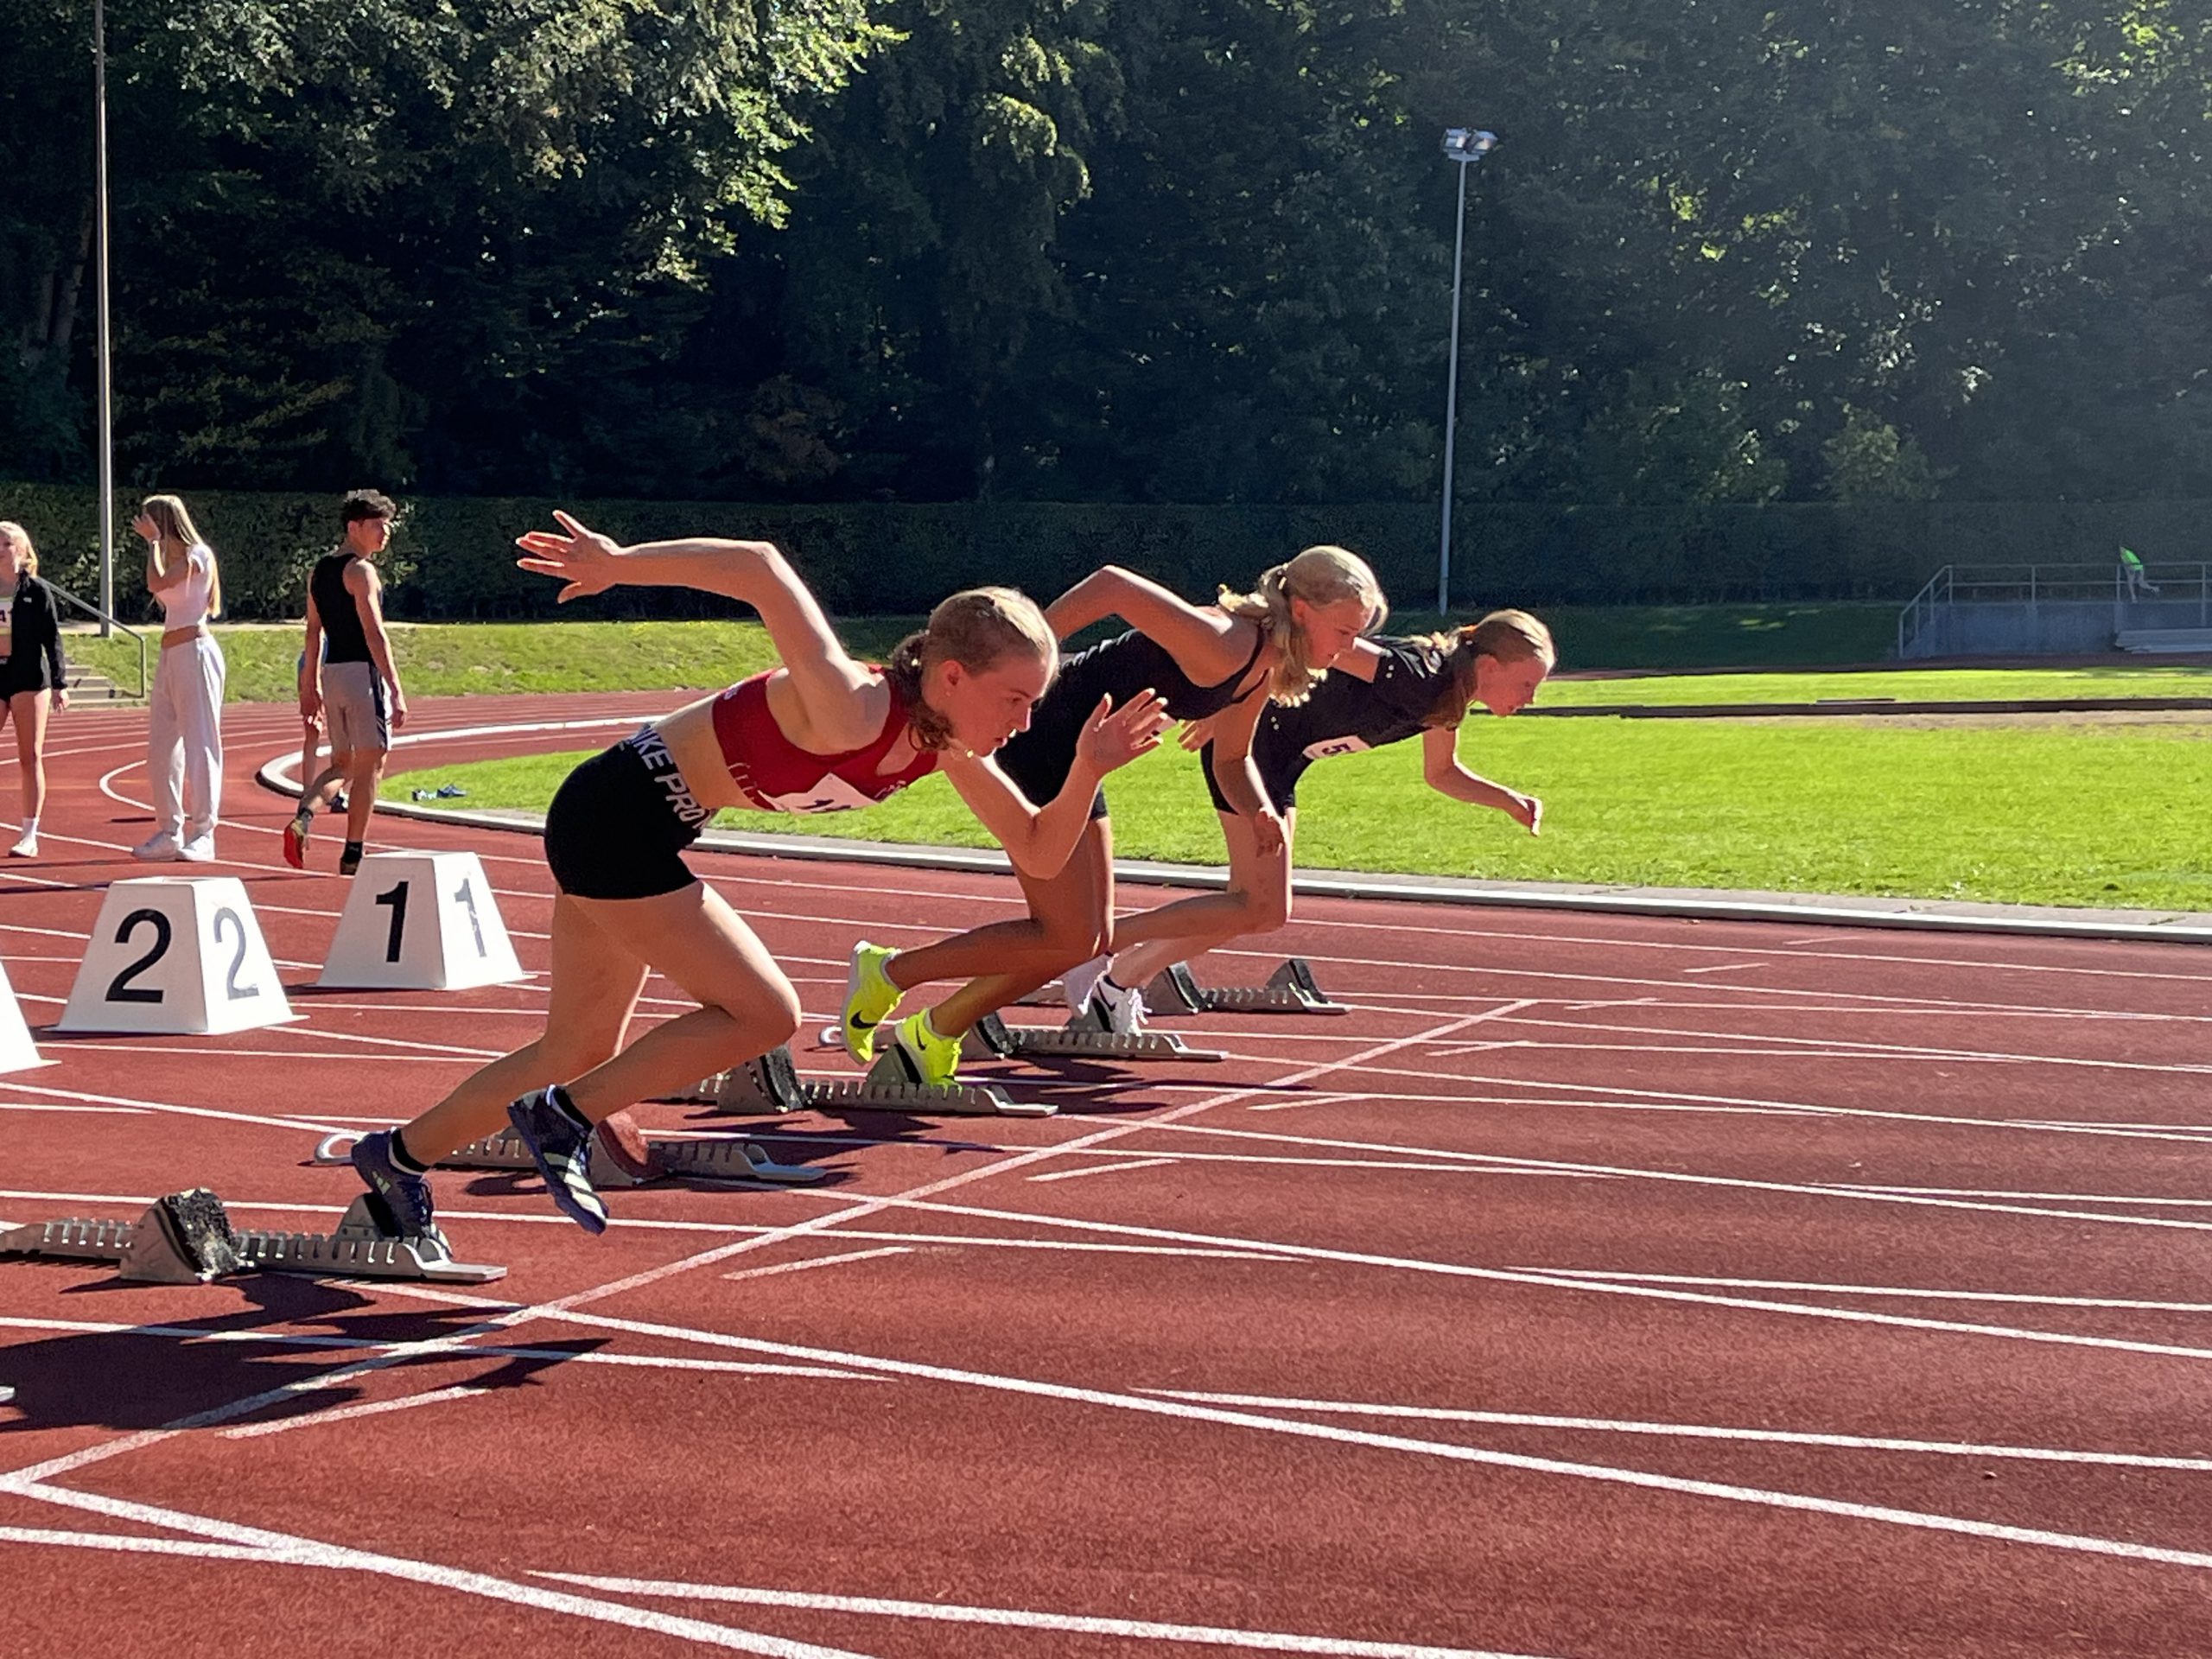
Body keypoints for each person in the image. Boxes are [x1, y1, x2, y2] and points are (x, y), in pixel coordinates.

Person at [346, 513, 1169, 1240]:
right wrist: (618, 564)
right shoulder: (852, 703)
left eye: (1035, 704)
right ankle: (564, 1118)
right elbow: (761, 566)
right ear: (951, 676)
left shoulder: (943, 741)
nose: (1025, 721)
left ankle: (397, 1158)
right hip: (615, 816)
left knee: (575, 1047)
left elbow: (1038, 850)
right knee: (766, 1012)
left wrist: (1087, 770)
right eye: (1015, 698)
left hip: (638, 825)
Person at [837, 547, 1387, 1082]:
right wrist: (1033, 661)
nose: (1351, 647)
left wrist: (1259, 811)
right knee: (1065, 935)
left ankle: (922, 1017)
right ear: (1301, 611)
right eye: (1345, 632)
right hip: (1038, 740)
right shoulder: (1224, 644)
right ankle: (903, 990)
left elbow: (1232, 759)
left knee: (1085, 938)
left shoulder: (1258, 668)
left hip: (1084, 758)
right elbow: (1112, 585)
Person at [1099, 610, 1552, 1007]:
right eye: (1527, 684)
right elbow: (1314, 646)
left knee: (1257, 909)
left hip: (1282, 762)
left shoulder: (1448, 697)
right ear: (1489, 667)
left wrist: (1509, 801)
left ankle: (1116, 970)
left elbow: (1442, 772)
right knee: (1259, 906)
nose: (1530, 698)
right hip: (1249, 754)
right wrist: (1227, 704)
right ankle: (1104, 957)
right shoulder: (1416, 674)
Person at [285, 489, 409, 874]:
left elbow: (313, 632)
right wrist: (396, 688)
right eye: (377, 526)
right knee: (371, 764)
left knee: (341, 764)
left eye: (387, 526)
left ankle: (304, 816)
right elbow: (374, 633)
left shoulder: (318, 572)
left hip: (333, 673)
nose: (385, 533)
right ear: (354, 527)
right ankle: (353, 853)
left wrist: (310, 686)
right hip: (361, 675)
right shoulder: (360, 571)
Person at [131, 495, 225, 862]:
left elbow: (156, 584)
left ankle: (204, 832)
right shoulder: (172, 560)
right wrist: (156, 546)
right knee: (161, 749)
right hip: (171, 653)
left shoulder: (198, 555)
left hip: (195, 652)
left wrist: (153, 543)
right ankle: (170, 831)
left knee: (201, 744)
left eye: (149, 520)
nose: (143, 525)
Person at [0, 523, 68, 858]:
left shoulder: (37, 590)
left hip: (27, 676)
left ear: (21, 549)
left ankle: (29, 834)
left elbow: (52, 638)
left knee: (30, 756)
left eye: (5, 544)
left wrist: (59, 683)